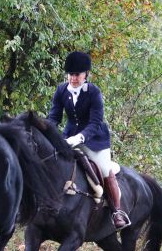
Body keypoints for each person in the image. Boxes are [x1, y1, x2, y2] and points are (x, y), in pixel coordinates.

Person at [47, 51, 130, 230]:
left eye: (77, 75)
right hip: (69, 137)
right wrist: (46, 131)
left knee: (105, 169)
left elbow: (95, 121)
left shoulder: (93, 92)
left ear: (85, 74)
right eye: (70, 74)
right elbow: (54, 117)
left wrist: (79, 137)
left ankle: (117, 211)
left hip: (95, 140)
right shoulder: (61, 90)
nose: (73, 78)